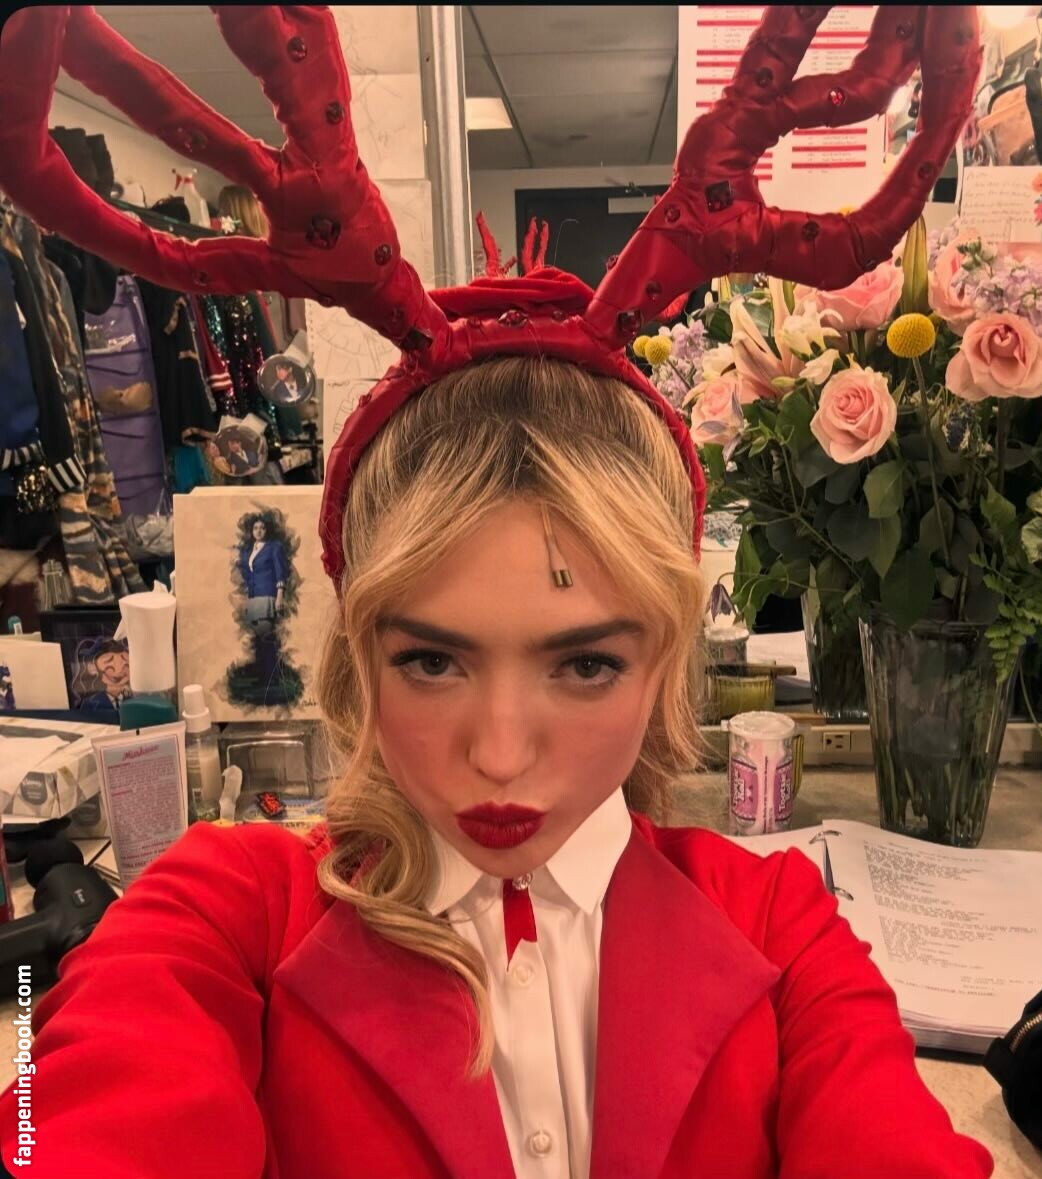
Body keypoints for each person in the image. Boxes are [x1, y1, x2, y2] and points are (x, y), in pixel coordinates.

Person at [0, 6, 988, 1177]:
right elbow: (78, 1119)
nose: (503, 755)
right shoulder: (224, 911)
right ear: (357, 650)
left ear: (667, 653)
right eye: (432, 660)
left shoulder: (782, 927)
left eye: (585, 663)